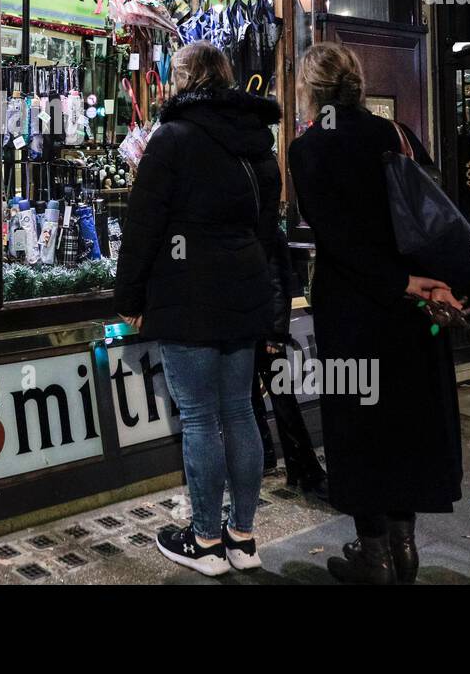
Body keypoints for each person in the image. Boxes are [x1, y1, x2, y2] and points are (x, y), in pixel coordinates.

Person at [287, 41, 464, 585]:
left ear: (311, 91)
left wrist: (395, 281)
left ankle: (374, 552)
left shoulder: (307, 149)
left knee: (358, 422)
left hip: (355, 308)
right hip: (412, 307)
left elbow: (337, 242)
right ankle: (404, 545)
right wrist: (424, 282)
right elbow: (434, 214)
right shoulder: (398, 135)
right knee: (404, 420)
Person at [114, 41, 282, 576]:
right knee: (239, 411)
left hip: (188, 294)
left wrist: (130, 297)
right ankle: (243, 537)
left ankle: (206, 540)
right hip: (245, 289)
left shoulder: (173, 138)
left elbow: (143, 226)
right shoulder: (256, 139)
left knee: (200, 418)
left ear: (185, 78)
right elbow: (266, 223)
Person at [250, 225, 328, 499]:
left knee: (282, 402)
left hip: (262, 332)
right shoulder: (254, 229)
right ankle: (283, 465)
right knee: (261, 401)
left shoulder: (266, 232)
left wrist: (275, 335)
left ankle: (304, 469)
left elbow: (277, 285)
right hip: (249, 331)